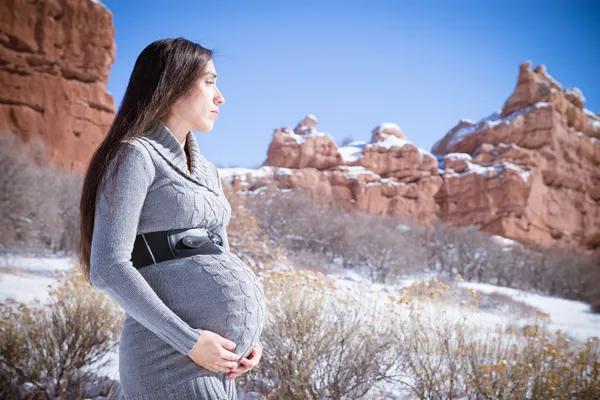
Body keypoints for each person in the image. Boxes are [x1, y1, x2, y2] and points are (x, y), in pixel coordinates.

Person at [78, 37, 267, 399]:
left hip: (218, 363)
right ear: (174, 85)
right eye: (209, 82)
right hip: (168, 358)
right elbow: (108, 266)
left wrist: (249, 341)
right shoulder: (136, 155)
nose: (220, 97)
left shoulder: (209, 171)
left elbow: (219, 256)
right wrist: (189, 342)